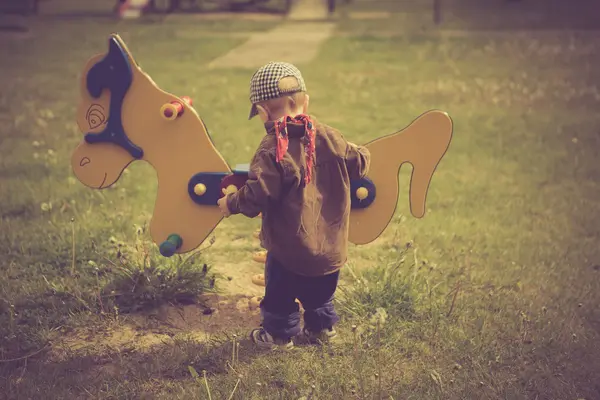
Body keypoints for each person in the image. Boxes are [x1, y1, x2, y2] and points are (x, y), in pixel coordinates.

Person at [217, 62, 371, 349]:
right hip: (330, 247)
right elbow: (359, 161)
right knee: (321, 294)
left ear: (262, 111)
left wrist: (230, 203)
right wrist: (359, 153)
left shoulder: (273, 148)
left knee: (279, 294)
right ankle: (322, 331)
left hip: (288, 251)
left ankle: (277, 335)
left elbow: (256, 194)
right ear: (306, 101)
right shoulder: (331, 136)